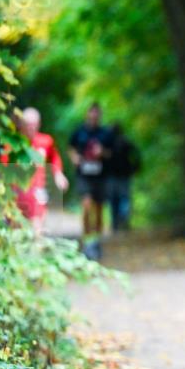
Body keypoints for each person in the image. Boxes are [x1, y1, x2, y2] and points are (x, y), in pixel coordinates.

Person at [0, 107, 68, 235]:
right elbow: (3, 168)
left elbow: (54, 158)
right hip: (17, 192)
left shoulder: (46, 141)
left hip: (37, 191)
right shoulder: (12, 143)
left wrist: (58, 174)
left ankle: (36, 249)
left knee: (37, 227)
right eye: (28, 125)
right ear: (21, 125)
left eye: (34, 125)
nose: (31, 128)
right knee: (16, 228)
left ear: (39, 124)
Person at [68, 103, 112, 260]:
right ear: (87, 115)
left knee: (99, 209)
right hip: (84, 175)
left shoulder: (105, 133)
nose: (93, 117)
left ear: (99, 116)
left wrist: (102, 152)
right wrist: (75, 158)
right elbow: (70, 148)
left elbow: (111, 154)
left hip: (100, 176)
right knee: (86, 205)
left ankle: (96, 242)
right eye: (91, 114)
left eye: (96, 115)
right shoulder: (79, 132)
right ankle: (87, 242)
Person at [105, 123, 140, 232]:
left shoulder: (108, 144)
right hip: (124, 175)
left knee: (114, 200)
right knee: (124, 198)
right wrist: (135, 168)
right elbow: (136, 155)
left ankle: (116, 223)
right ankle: (123, 219)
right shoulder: (126, 142)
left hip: (112, 176)